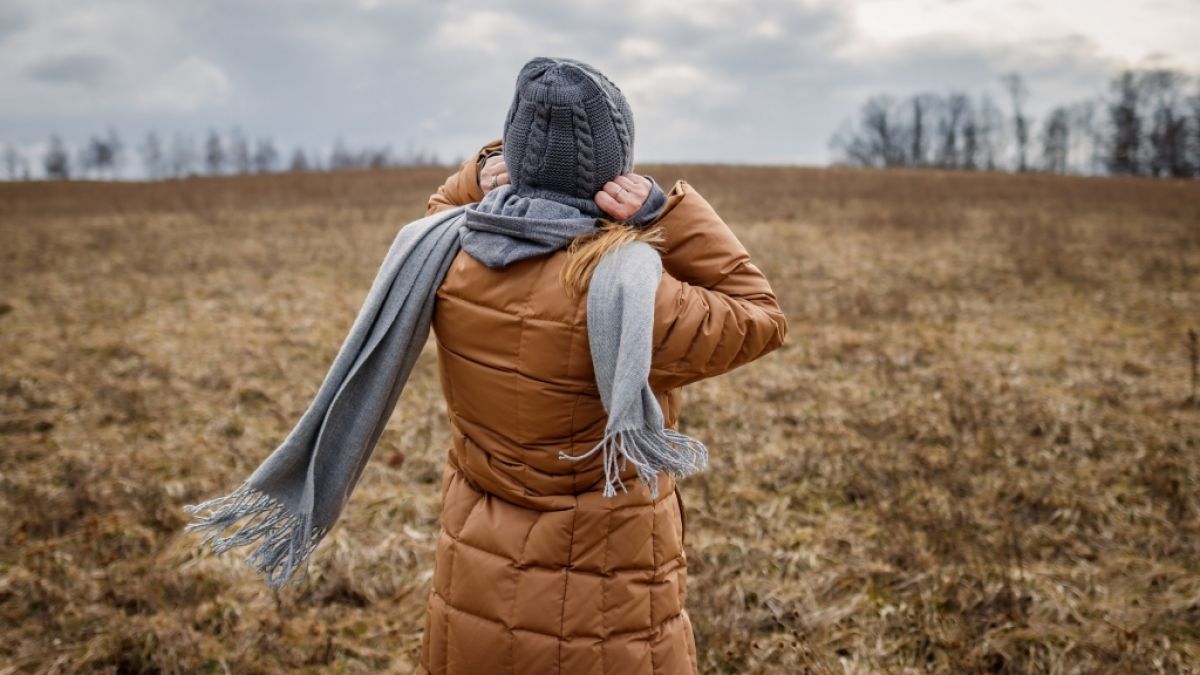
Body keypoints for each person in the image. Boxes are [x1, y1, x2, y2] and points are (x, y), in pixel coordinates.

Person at [415, 57, 788, 674]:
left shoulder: (449, 259)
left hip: (474, 584)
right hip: (606, 612)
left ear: (515, 156)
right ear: (614, 172)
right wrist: (668, 214)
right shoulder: (630, 291)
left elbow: (437, 210)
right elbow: (760, 315)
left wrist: (476, 176)